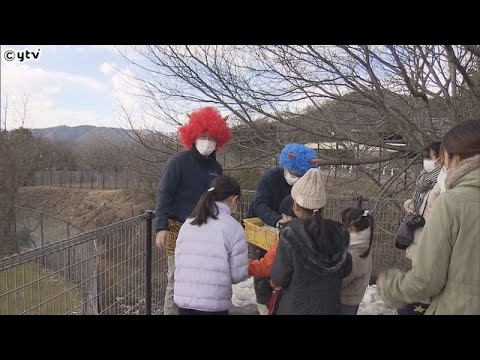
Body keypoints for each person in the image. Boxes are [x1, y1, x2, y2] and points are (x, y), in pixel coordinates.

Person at [377, 119, 480, 315]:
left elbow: (427, 280)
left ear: (455, 158)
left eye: (444, 158)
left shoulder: (453, 202)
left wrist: (390, 287)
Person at [154, 106, 232, 315]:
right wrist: (161, 227)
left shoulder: (216, 168)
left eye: (212, 137)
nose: (208, 141)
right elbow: (164, 194)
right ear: (193, 136)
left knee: (201, 280)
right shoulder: (177, 163)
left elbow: (218, 199)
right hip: (178, 227)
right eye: (203, 136)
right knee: (176, 280)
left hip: (207, 231)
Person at [245, 143, 320, 315]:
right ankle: (263, 304)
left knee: (289, 269)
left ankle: (281, 302)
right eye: (292, 173)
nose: (295, 177)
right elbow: (259, 203)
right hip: (266, 226)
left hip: (294, 229)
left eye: (299, 175)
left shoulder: (306, 183)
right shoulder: (270, 177)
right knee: (264, 269)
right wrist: (277, 220)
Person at [270, 168, 352, 315]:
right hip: (330, 308)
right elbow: (346, 269)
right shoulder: (339, 233)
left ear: (295, 206)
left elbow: (278, 278)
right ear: (322, 207)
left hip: (295, 308)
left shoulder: (291, 233)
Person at [174, 175, 248, 315]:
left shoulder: (188, 223)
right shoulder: (234, 228)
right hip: (214, 303)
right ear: (234, 199)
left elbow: (179, 261)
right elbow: (238, 275)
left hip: (183, 300)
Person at [248, 195, 296, 279]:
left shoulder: (287, 239)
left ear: (289, 217)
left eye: (283, 216)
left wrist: (242, 266)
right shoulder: (321, 234)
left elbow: (267, 266)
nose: (281, 220)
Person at [340, 208, 374, 315]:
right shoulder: (364, 244)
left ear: (354, 229)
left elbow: (342, 281)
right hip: (355, 296)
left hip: (345, 300)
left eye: (347, 228)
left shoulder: (354, 255)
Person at [404, 142, 442, 215]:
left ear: (440, 159)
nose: (426, 162)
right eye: (424, 159)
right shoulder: (424, 176)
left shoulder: (442, 180)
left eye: (429, 158)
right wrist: (412, 203)